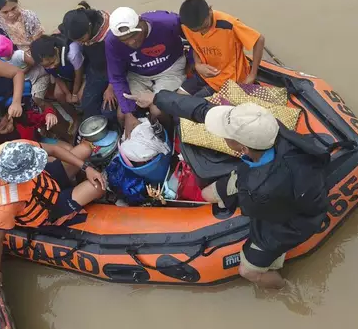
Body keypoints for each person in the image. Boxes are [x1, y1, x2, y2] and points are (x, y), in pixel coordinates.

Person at [125, 90, 329, 289]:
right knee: (207, 194)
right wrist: (157, 98)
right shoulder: (266, 127)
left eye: (225, 134)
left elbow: (254, 211)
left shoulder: (260, 190)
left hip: (289, 220)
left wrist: (237, 195)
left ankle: (283, 287)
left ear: (243, 147)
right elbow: (202, 110)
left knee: (248, 272)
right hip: (256, 178)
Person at [0, 139, 106, 289]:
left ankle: (77, 180)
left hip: (47, 181)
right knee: (99, 187)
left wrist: (86, 167)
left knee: (85, 149)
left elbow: (54, 150)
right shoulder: (4, 205)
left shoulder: (11, 148)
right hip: (49, 210)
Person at [105, 7, 186, 137]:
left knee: (157, 110)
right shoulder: (112, 41)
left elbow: (193, 34)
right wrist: (128, 113)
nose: (131, 42)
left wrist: (194, 62)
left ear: (141, 23)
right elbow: (117, 77)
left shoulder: (166, 22)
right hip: (138, 75)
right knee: (121, 114)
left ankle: (168, 138)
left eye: (134, 36)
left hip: (170, 69)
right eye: (124, 40)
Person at [178, 0, 265, 96]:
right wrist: (198, 64)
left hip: (230, 79)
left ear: (210, 10)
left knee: (192, 105)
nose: (202, 31)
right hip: (204, 74)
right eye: (196, 30)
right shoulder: (186, 25)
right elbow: (194, 45)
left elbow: (259, 39)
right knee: (179, 97)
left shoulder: (229, 25)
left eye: (204, 26)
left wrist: (252, 75)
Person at [0, 0, 51, 100]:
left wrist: (24, 68)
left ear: (17, 2)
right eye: (5, 12)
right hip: (17, 56)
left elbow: (38, 43)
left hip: (35, 55)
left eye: (13, 8)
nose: (11, 14)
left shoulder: (29, 17)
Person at [61, 1, 117, 120]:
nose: (81, 43)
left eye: (81, 39)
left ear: (90, 27)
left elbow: (119, 63)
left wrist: (110, 88)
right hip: (96, 71)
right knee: (87, 106)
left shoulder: (109, 37)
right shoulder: (79, 27)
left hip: (115, 72)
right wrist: (84, 84)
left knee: (108, 111)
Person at [30, 34, 84, 124]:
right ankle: (75, 118)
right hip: (66, 76)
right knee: (58, 94)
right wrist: (67, 94)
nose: (51, 67)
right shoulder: (45, 64)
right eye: (47, 66)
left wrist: (74, 94)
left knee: (81, 95)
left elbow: (79, 75)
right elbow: (57, 77)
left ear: (56, 50)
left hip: (83, 74)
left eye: (52, 62)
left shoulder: (72, 53)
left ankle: (87, 114)